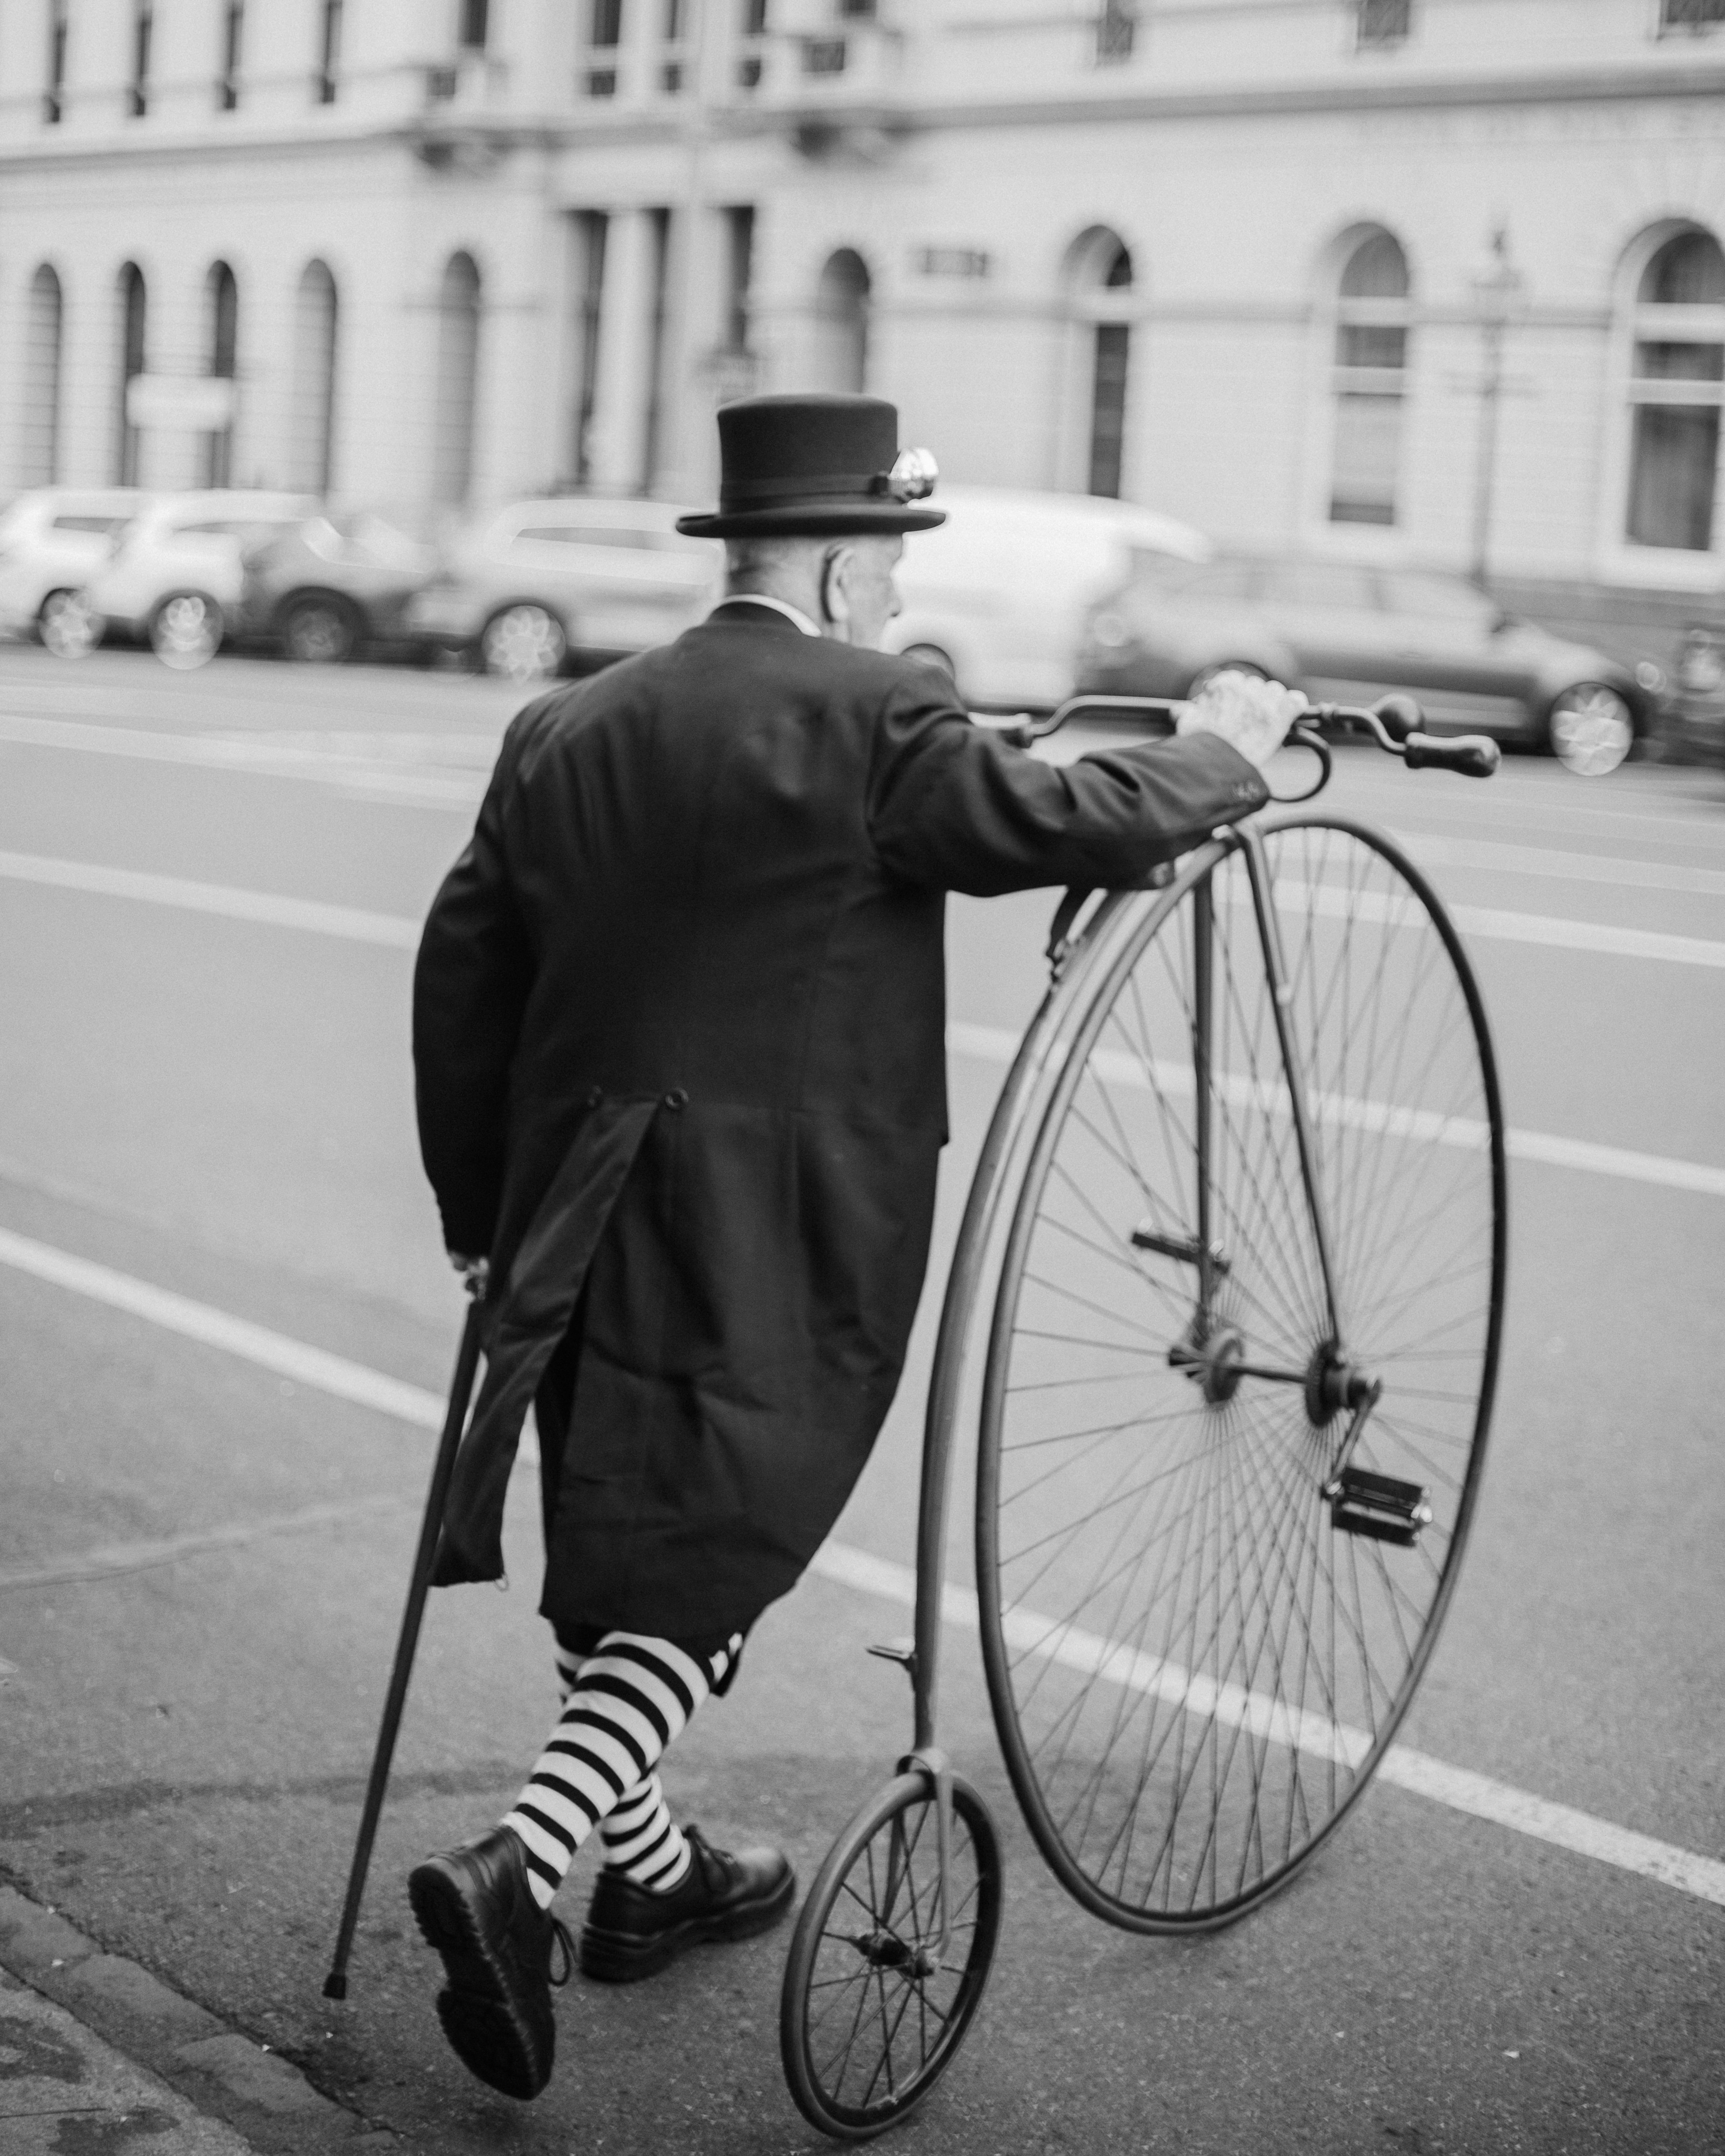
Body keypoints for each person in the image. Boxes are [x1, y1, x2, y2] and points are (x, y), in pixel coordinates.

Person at [405, 392, 1302, 2102]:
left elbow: (463, 978)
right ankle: (526, 1866)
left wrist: (480, 1220)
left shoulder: (565, 725)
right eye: (888, 576)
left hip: (572, 1199)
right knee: (718, 1532)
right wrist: (1225, 749)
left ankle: (652, 1878)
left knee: (631, 1522)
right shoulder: (877, 707)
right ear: (834, 573)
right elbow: (1059, 823)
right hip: (777, 1215)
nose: (895, 608)